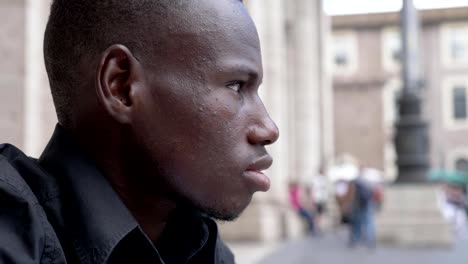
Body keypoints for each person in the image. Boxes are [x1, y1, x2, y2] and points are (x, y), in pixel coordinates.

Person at [0, 0, 279, 263]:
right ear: (121, 86)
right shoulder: (11, 228)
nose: (269, 129)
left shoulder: (200, 247)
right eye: (236, 85)